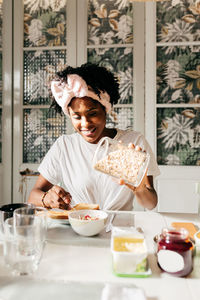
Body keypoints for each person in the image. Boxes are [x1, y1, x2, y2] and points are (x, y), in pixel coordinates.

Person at [28, 63, 160, 211]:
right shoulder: (64, 146)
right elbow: (33, 196)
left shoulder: (133, 142)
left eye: (92, 114)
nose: (85, 124)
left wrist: (139, 187)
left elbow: (150, 204)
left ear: (105, 109)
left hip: (120, 230)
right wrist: (48, 199)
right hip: (80, 228)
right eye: (77, 117)